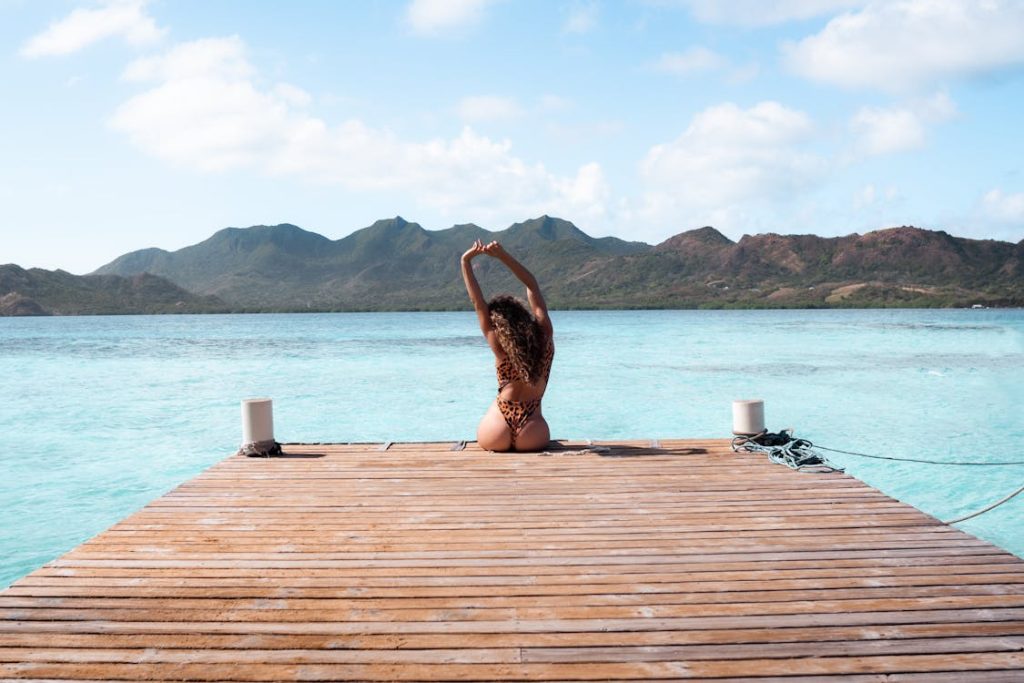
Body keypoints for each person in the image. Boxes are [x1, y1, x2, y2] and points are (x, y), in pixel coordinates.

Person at [461, 239, 554, 452]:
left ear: (498, 323)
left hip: (497, 427)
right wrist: (502, 256)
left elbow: (478, 303)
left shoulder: (498, 343)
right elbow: (532, 285)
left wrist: (465, 261)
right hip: (533, 430)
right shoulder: (545, 335)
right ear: (522, 315)